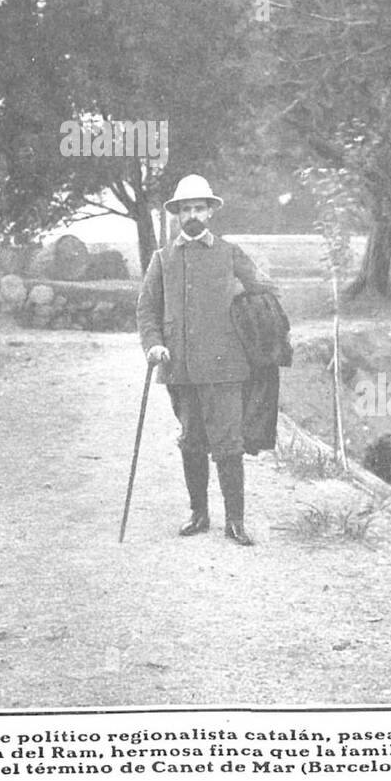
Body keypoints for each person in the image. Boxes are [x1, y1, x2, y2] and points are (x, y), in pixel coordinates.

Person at [136, 174, 269, 546]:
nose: (193, 214)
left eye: (199, 208)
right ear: (177, 214)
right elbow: (147, 309)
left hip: (226, 368)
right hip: (180, 368)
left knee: (228, 443)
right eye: (186, 209)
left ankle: (235, 521)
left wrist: (249, 318)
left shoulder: (230, 254)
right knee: (192, 440)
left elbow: (264, 292)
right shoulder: (162, 259)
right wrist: (153, 344)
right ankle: (199, 513)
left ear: (210, 212)